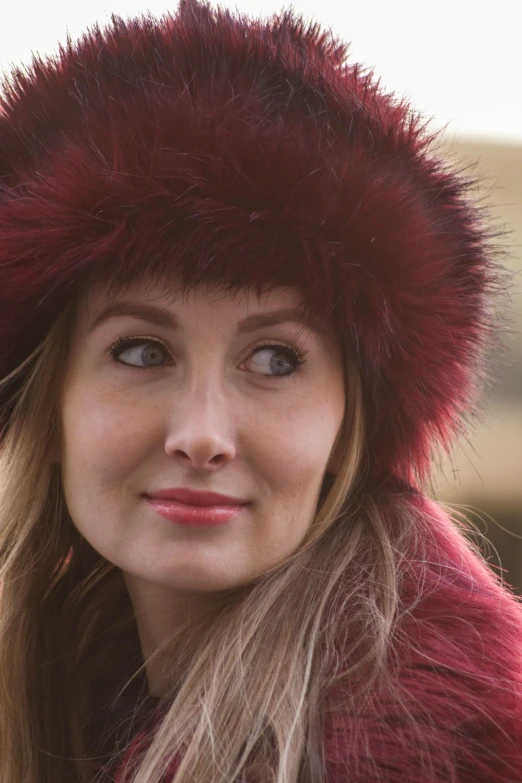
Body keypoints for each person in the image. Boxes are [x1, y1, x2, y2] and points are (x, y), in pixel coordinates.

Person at [0, 0, 521, 780]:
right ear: (52, 404)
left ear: (353, 423)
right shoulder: (71, 695)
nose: (202, 432)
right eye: (142, 351)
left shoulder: (433, 751)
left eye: (275, 359)